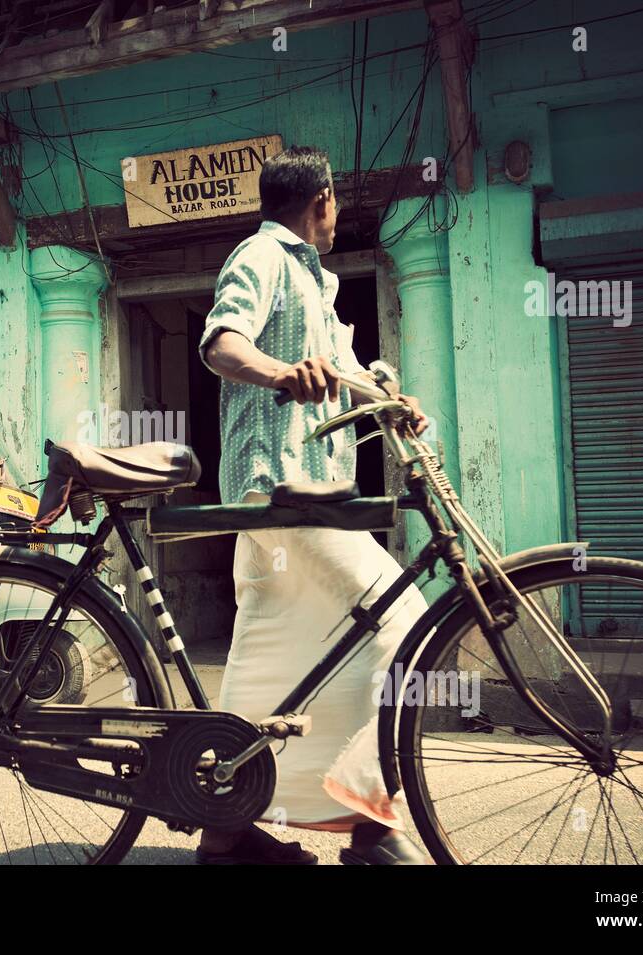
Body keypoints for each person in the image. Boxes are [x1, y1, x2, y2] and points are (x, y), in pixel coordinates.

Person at [196, 145, 431, 865]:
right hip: (279, 488)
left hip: (298, 491)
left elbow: (345, 372)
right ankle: (371, 823)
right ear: (321, 199)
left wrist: (393, 403)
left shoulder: (314, 281)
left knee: (273, 651)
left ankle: (225, 826)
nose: (339, 215)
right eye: (336, 204)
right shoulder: (263, 257)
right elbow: (220, 341)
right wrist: (279, 372)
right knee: (401, 618)